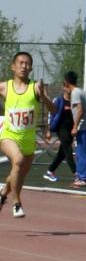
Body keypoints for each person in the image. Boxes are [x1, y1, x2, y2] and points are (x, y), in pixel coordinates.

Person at [0, 51, 56, 218]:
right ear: (13, 66)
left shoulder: (36, 87)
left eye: (27, 64)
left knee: (17, 175)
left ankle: (2, 195)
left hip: (29, 140)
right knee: (17, 160)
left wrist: (43, 97)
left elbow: (54, 110)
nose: (24, 66)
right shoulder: (5, 87)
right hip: (9, 135)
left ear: (31, 68)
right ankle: (17, 203)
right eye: (21, 63)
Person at [66, 71, 86, 188]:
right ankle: (82, 177)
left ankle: (83, 178)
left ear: (66, 82)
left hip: (84, 127)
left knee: (81, 152)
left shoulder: (75, 93)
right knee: (80, 152)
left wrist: (75, 127)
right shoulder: (79, 91)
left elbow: (80, 110)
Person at [43, 78, 76, 182]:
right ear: (64, 88)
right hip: (61, 129)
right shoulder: (58, 101)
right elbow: (51, 114)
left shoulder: (75, 101)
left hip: (71, 130)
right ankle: (76, 173)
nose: (69, 89)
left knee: (62, 153)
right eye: (67, 87)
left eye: (71, 87)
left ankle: (50, 171)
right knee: (68, 150)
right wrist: (48, 130)